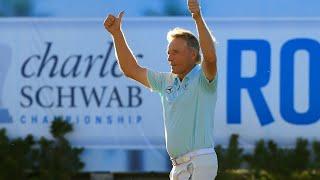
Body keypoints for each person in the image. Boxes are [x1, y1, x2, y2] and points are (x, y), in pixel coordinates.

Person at [104, 0, 218, 179]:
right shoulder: (166, 81)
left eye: (175, 52)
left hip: (199, 162)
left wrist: (197, 17)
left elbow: (210, 58)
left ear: (193, 54)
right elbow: (131, 70)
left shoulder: (203, 77)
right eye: (168, 53)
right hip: (178, 166)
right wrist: (117, 34)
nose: (169, 58)